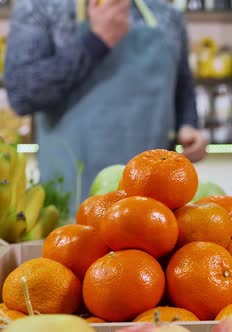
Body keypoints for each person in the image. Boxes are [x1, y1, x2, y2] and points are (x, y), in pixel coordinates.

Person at [4, 0, 208, 214]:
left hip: (152, 212)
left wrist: (188, 125)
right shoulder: (39, 8)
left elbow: (182, 88)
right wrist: (96, 42)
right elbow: (22, 94)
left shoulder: (168, 16)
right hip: (67, 208)